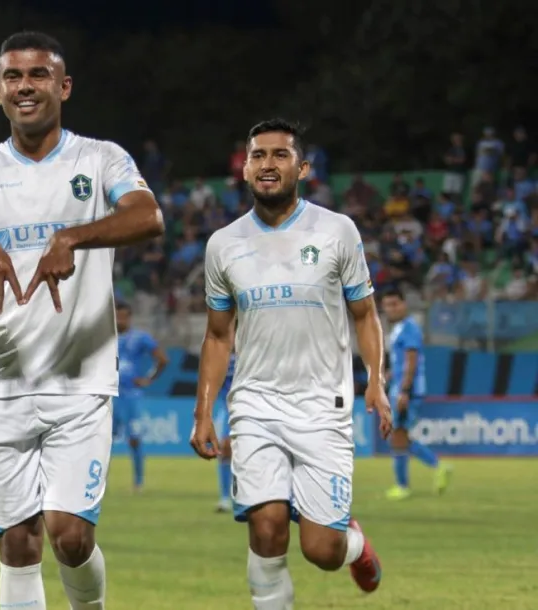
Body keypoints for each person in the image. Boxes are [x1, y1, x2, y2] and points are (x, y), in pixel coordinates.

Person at [0, 30, 163, 610]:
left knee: (70, 535)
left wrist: (74, 235)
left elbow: (148, 217)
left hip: (80, 379)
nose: (25, 86)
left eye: (38, 75)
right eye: (13, 77)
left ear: (63, 86)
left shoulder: (100, 159)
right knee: (17, 544)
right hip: (0, 383)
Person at [190, 119, 392, 609]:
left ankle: (355, 545)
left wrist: (376, 381)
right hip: (256, 404)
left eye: (280, 155)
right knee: (266, 525)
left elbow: (364, 315)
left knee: (322, 550)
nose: (268, 164)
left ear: (302, 168)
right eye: (258, 155)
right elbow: (218, 336)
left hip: (324, 405)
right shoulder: (223, 244)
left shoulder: (336, 231)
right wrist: (204, 411)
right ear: (244, 169)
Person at [381, 288, 452, 499]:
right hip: (400, 387)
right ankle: (434, 468)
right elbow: (403, 362)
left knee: (398, 436)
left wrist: (404, 390)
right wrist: (389, 375)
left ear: (404, 304)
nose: (392, 309)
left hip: (407, 391)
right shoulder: (400, 329)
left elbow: (412, 360)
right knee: (398, 436)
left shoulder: (409, 328)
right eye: (388, 305)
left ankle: (407, 484)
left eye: (395, 304)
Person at [113, 301, 169, 493]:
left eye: (123, 316)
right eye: (117, 316)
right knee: (102, 439)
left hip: (131, 396)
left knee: (134, 438)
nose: (120, 320)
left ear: (129, 317)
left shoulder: (139, 338)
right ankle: (96, 483)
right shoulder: (106, 338)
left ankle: (138, 482)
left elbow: (162, 359)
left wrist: (149, 379)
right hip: (109, 395)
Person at [213, 347, 237, 513]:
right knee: (225, 448)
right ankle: (224, 498)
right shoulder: (220, 354)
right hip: (227, 405)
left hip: (254, 404)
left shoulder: (253, 349)